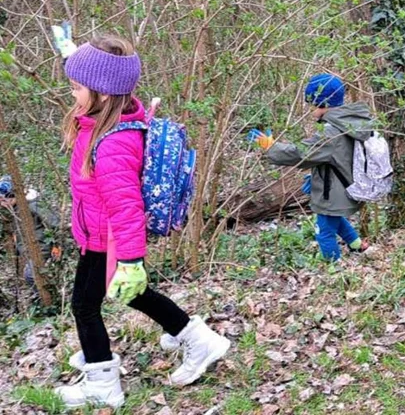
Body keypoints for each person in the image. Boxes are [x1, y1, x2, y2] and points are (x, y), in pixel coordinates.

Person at [55, 35, 230, 410]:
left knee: (85, 306)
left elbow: (126, 207)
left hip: (106, 239)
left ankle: (103, 384)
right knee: (131, 295)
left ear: (102, 93)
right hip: (99, 235)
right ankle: (196, 338)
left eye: (77, 87)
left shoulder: (112, 144)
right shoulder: (103, 123)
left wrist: (131, 261)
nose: (73, 94)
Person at [250, 73, 372, 261]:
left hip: (333, 191)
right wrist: (316, 177)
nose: (310, 110)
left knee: (324, 231)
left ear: (322, 104)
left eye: (311, 105)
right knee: (333, 219)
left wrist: (271, 147)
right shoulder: (348, 121)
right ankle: (357, 245)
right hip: (342, 186)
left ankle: (334, 268)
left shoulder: (331, 131)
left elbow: (302, 153)